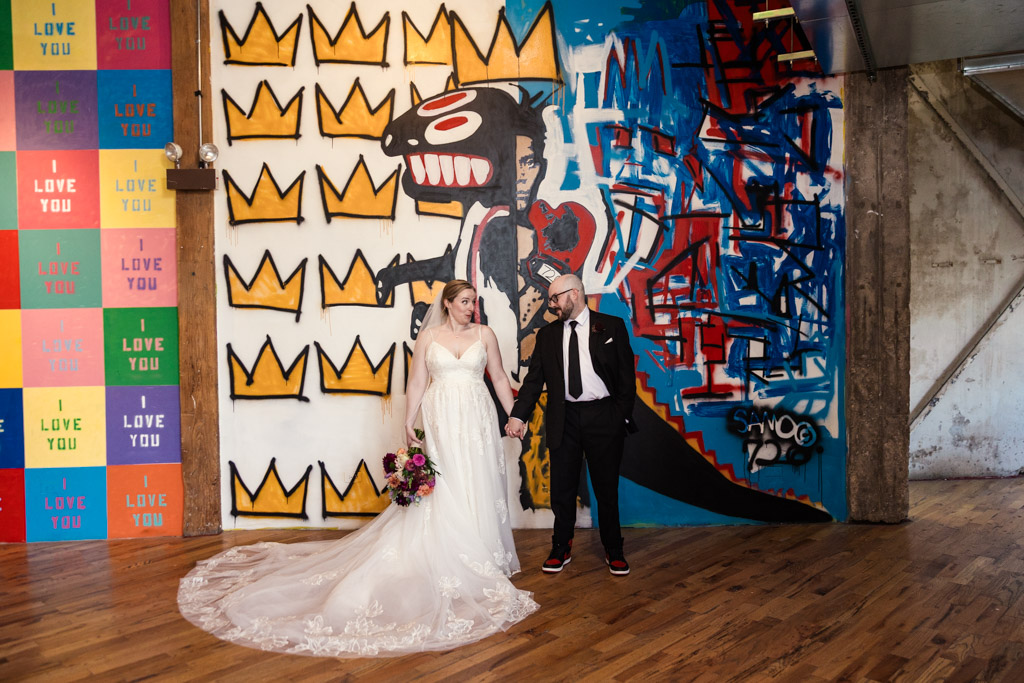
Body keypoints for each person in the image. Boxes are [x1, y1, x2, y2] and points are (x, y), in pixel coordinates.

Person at [178, 280, 538, 657]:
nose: (471, 307)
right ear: (448, 304)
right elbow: (417, 381)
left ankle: (481, 550)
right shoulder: (429, 336)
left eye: (473, 301)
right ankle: (453, 554)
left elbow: (498, 376)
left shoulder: (486, 334)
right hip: (441, 416)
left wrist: (512, 414)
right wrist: (408, 421)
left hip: (476, 416)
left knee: (475, 479)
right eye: (465, 302)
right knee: (447, 480)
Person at [506, 274, 637, 576]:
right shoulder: (548, 335)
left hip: (603, 416)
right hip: (564, 418)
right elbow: (533, 381)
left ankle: (613, 548)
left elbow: (626, 377)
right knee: (562, 489)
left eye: (555, 298)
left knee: (606, 488)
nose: (551, 304)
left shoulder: (611, 326)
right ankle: (560, 546)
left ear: (574, 294)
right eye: (550, 299)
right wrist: (517, 415)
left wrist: (619, 416)